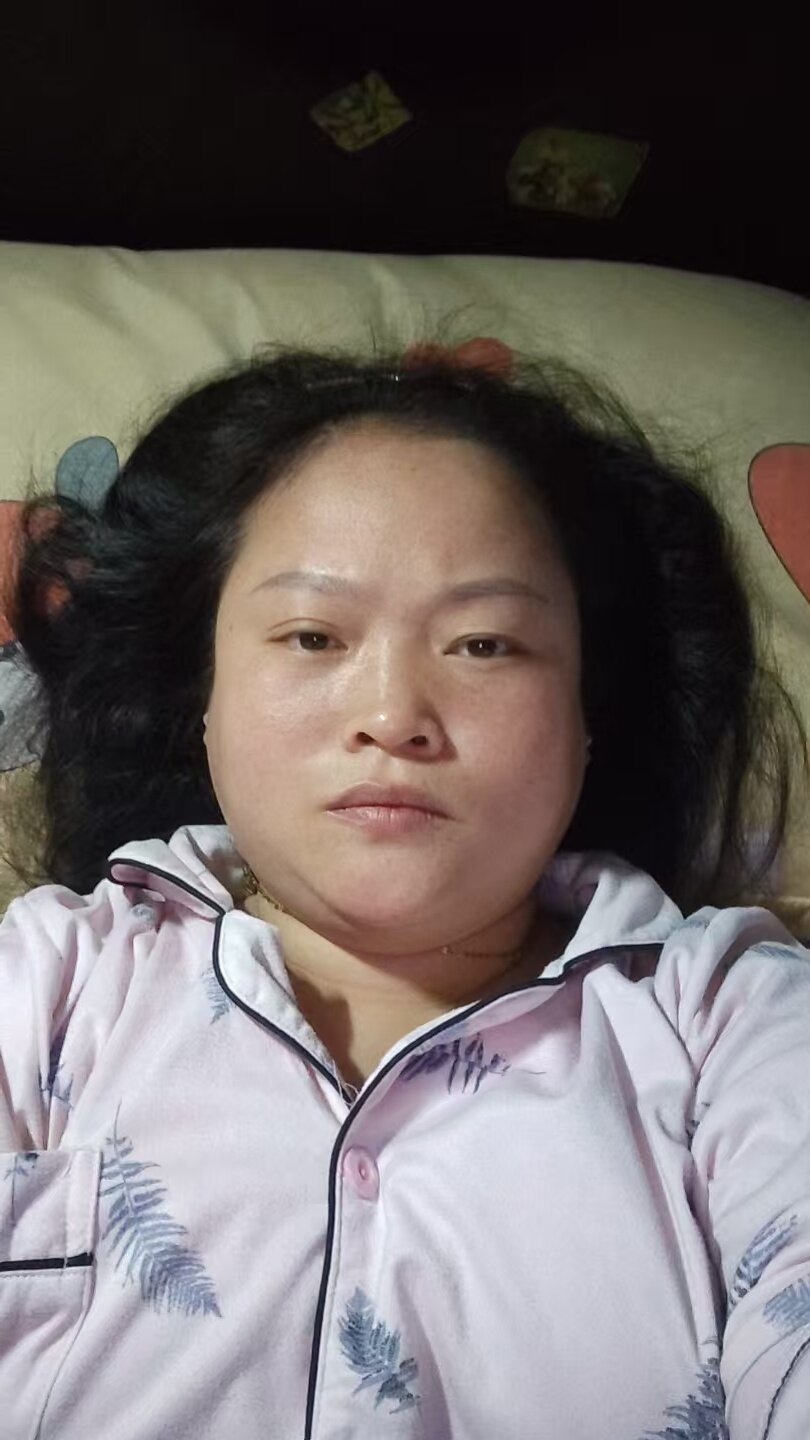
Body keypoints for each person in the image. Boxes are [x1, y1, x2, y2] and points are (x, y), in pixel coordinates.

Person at [1, 336, 808, 1439]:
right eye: (312, 636)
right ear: (203, 699)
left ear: (589, 716)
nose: (393, 715)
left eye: (484, 645)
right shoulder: (47, 983)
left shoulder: (731, 1024)